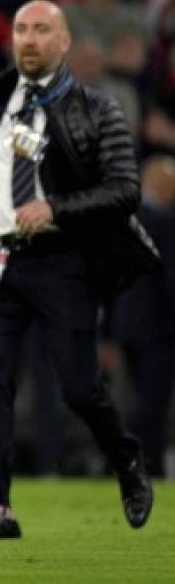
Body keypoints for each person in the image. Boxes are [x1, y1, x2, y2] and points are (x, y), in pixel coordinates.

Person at [0, 0, 157, 539]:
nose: (29, 39)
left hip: (61, 260)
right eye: (21, 29)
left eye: (42, 30)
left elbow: (125, 190)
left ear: (64, 42)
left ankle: (127, 459)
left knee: (78, 388)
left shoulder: (99, 108)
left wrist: (56, 208)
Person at [112, 156, 175, 476]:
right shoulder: (164, 224)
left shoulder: (125, 218)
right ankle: (132, 457)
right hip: (158, 330)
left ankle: (139, 463)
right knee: (153, 403)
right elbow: (169, 281)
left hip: (128, 327)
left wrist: (108, 332)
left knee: (142, 400)